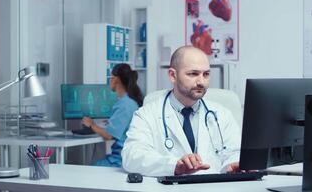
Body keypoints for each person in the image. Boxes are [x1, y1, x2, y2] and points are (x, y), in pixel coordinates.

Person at [121, 46, 241, 176]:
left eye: (206, 74)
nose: (201, 81)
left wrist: (232, 165)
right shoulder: (147, 114)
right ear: (173, 75)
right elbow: (132, 156)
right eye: (193, 74)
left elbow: (235, 152)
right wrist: (174, 165)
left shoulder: (222, 114)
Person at [82, 63, 143, 167]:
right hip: (129, 156)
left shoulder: (124, 104)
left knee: (90, 169)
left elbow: (109, 136)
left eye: (111, 78)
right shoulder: (131, 101)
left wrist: (91, 124)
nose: (109, 81)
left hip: (120, 159)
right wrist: (111, 122)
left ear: (116, 79)